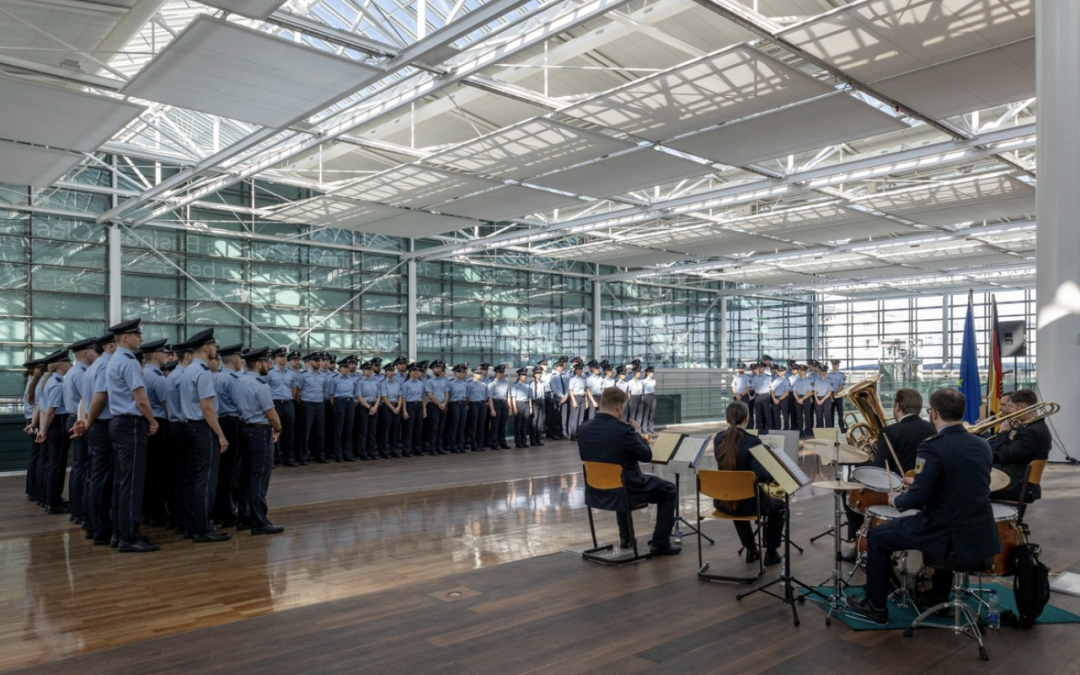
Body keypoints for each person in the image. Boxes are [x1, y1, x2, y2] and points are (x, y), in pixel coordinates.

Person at [846, 389, 1000, 624]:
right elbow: (958, 483)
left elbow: (916, 500)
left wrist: (896, 499)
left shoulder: (932, 446)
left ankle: (875, 606)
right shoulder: (982, 445)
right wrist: (919, 481)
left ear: (934, 412)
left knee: (876, 536)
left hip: (942, 530)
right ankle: (936, 597)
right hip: (978, 531)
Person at [577, 386, 680, 556]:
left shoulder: (583, 428)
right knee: (669, 490)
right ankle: (660, 543)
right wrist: (637, 432)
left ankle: (627, 538)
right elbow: (646, 456)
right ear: (618, 407)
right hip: (628, 489)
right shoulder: (624, 430)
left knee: (618, 479)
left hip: (595, 489)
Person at [841, 388, 935, 562]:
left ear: (897, 406)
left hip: (896, 490)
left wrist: (864, 461)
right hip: (925, 490)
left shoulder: (890, 431)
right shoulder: (932, 429)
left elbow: (878, 470)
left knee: (849, 495)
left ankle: (859, 544)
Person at [104, 318, 160, 552]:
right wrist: (152, 420)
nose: (141, 338)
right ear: (125, 337)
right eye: (137, 335)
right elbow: (140, 398)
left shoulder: (115, 359)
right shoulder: (129, 362)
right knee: (132, 482)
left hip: (118, 423)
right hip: (131, 424)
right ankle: (129, 536)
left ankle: (120, 532)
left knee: (121, 481)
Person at [712, 401, 785, 566]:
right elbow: (761, 475)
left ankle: (751, 549)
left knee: (736, 498)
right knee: (779, 504)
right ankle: (771, 552)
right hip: (750, 504)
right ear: (747, 418)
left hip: (723, 501)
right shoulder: (752, 441)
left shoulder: (718, 439)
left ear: (726, 419)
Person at [177, 328, 231, 543]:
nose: (216, 350)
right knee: (206, 480)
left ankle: (192, 524)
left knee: (193, 479)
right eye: (214, 346)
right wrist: (221, 435)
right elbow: (207, 407)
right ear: (206, 347)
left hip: (188, 426)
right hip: (202, 429)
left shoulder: (187, 370)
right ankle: (203, 528)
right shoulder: (203, 372)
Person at [235, 347, 284, 535]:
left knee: (246, 476)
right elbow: (271, 414)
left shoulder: (239, 380)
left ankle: (244, 517)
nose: (268, 364)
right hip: (259, 432)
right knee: (259, 477)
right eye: (266, 361)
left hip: (244, 428)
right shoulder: (260, 385)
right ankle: (259, 520)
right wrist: (278, 428)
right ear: (258, 364)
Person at [989, 388, 1052, 502]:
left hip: (1017, 486)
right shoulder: (1029, 426)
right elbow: (1009, 451)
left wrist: (1003, 433)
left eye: (1011, 406)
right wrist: (983, 454)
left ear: (1022, 407)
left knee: (971, 487)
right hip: (1015, 480)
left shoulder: (1033, 431)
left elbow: (1005, 456)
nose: (1010, 411)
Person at [64, 338, 97, 528]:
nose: (95, 353)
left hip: (73, 416)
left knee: (78, 466)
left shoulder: (73, 372)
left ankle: (76, 510)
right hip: (80, 418)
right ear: (85, 353)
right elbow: (88, 400)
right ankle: (81, 510)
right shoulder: (82, 374)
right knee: (83, 467)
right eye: (93, 351)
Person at [35, 349, 72, 515]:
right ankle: (53, 502)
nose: (70, 364)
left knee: (52, 463)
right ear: (61, 364)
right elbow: (50, 411)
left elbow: (43, 410)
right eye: (68, 361)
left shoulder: (47, 381)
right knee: (57, 464)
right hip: (57, 423)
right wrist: (44, 429)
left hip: (51, 425)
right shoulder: (57, 383)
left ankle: (48, 498)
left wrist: (43, 429)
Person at [212, 343, 243, 526]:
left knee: (221, 469)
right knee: (231, 471)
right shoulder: (232, 379)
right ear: (233, 359)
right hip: (232, 423)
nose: (241, 361)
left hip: (218, 423)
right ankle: (227, 511)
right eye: (239, 357)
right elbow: (241, 405)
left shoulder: (214, 377)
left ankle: (217, 509)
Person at [140, 338, 170, 526]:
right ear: (157, 355)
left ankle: (145, 510)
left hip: (144, 423)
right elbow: (167, 406)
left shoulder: (141, 374)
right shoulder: (158, 378)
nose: (167, 357)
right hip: (158, 424)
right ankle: (157, 512)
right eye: (165, 353)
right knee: (159, 472)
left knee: (147, 471)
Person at [294, 353, 328, 464]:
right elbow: (298, 393)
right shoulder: (303, 375)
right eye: (316, 360)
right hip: (307, 404)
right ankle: (303, 456)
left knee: (320, 431)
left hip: (320, 404)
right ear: (310, 362)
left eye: (319, 360)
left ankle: (320, 455)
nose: (318, 362)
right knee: (305, 432)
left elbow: (323, 390)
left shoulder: (323, 376)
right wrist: (303, 404)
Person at [268, 347, 297, 467]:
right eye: (281, 356)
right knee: (274, 430)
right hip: (275, 403)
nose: (284, 358)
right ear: (275, 359)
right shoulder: (269, 373)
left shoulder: (291, 373)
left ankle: (287, 457)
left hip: (288, 402)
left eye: (285, 356)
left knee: (289, 432)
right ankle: (273, 458)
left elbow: (294, 389)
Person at [329, 355, 357, 462]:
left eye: (347, 367)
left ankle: (348, 454)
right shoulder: (334, 379)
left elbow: (354, 393)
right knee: (339, 429)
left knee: (349, 429)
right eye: (344, 367)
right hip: (339, 402)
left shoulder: (352, 380)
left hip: (349, 402)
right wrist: (335, 405)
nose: (346, 369)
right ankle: (338, 454)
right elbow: (331, 395)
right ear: (339, 368)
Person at [354, 360, 381, 460]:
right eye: (367, 369)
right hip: (364, 407)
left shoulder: (376, 382)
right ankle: (363, 452)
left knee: (372, 431)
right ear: (363, 371)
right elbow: (359, 397)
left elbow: (378, 396)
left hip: (374, 406)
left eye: (370, 369)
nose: (369, 371)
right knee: (363, 431)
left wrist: (375, 407)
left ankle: (372, 451)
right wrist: (369, 407)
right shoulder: (360, 382)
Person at [424, 360, 449, 455]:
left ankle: (439, 447)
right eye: (437, 368)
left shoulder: (444, 380)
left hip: (443, 406)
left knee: (441, 428)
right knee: (433, 428)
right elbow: (429, 394)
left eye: (440, 368)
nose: (439, 369)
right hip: (433, 406)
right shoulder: (429, 381)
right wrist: (439, 403)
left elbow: (446, 392)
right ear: (432, 369)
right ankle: (432, 448)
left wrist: (445, 403)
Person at [401, 363, 426, 457]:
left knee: (418, 428)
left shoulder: (421, 384)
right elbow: (403, 398)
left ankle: (417, 449)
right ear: (410, 372)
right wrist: (404, 410)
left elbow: (423, 397)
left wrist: (424, 409)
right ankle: (407, 449)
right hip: (409, 405)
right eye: (414, 371)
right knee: (409, 428)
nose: (416, 373)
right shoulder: (405, 384)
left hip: (419, 405)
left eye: (417, 371)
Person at [378, 367, 404, 458]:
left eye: (393, 371)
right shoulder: (383, 383)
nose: (392, 373)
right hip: (387, 407)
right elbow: (384, 397)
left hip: (397, 406)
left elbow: (400, 396)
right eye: (389, 371)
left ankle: (394, 449)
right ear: (385, 372)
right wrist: (393, 408)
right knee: (386, 429)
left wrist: (399, 407)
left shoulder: (397, 383)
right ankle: (384, 450)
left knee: (395, 429)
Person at [445, 363, 469, 454]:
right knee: (454, 426)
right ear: (454, 373)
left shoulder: (465, 383)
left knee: (462, 426)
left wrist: (466, 404)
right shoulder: (450, 382)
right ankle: (453, 445)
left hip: (462, 404)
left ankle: (461, 445)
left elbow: (466, 396)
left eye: (462, 372)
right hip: (454, 404)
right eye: (459, 371)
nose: (461, 373)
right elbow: (448, 395)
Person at [487, 364, 511, 449]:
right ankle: (494, 443)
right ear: (496, 373)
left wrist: (509, 407)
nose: (502, 374)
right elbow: (490, 398)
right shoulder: (492, 384)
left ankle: (502, 442)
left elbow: (507, 396)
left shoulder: (505, 383)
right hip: (496, 403)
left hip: (504, 403)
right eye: (500, 372)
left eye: (503, 372)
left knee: (503, 425)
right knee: (495, 424)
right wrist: (492, 409)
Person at [465, 366, 488, 452]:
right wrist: (469, 404)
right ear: (473, 374)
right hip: (473, 404)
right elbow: (467, 396)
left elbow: (486, 396)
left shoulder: (483, 384)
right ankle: (474, 445)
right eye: (478, 373)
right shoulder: (470, 384)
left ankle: (480, 445)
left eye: (480, 373)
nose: (480, 375)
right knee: (473, 425)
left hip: (482, 404)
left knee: (481, 425)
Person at [510, 367, 532, 449]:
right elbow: (513, 397)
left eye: (525, 375)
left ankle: (524, 441)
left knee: (524, 425)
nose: (524, 376)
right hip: (519, 404)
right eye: (523, 375)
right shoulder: (515, 386)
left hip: (526, 404)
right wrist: (514, 408)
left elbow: (529, 397)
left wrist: (530, 407)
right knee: (518, 425)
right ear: (519, 376)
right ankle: (518, 442)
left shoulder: (527, 385)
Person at [792, 364, 814, 439]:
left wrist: (802, 399)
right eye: (800, 370)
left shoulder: (809, 380)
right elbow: (794, 391)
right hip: (798, 399)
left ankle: (807, 431)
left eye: (803, 370)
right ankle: (800, 431)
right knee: (799, 417)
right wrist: (798, 399)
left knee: (807, 416)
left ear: (805, 371)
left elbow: (810, 392)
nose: (801, 372)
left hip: (806, 398)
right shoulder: (796, 380)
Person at [549, 358, 569, 440]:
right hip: (558, 398)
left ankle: (563, 432)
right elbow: (554, 388)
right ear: (556, 367)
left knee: (564, 416)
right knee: (556, 416)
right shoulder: (553, 376)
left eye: (562, 366)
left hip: (565, 397)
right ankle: (555, 433)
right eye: (560, 366)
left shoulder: (564, 375)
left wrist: (566, 396)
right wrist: (562, 396)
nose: (561, 368)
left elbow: (568, 386)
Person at [567, 363, 587, 440]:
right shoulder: (572, 379)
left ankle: (579, 434)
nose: (580, 371)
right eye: (578, 369)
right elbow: (570, 391)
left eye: (581, 369)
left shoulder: (583, 379)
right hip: (576, 397)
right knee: (575, 417)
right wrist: (574, 401)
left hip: (582, 397)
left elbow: (584, 390)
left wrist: (586, 401)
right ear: (575, 370)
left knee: (581, 418)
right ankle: (573, 434)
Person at [528, 366, 547, 447]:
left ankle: (538, 439)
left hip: (541, 401)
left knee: (540, 422)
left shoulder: (542, 383)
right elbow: (530, 396)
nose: (539, 374)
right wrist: (531, 407)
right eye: (538, 373)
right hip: (535, 402)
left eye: (540, 373)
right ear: (534, 374)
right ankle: (533, 440)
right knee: (534, 422)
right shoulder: (532, 383)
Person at [751, 363, 773, 432]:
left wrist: (768, 395)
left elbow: (771, 388)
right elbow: (754, 388)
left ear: (764, 368)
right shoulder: (755, 378)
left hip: (765, 396)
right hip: (757, 396)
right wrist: (753, 396)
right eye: (759, 367)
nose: (760, 369)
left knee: (767, 414)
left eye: (761, 367)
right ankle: (758, 429)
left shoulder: (768, 377)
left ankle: (769, 428)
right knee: (758, 414)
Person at [769, 364, 791, 431]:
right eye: (779, 371)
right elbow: (772, 391)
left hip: (783, 399)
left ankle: (786, 429)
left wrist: (779, 399)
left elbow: (787, 392)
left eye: (782, 371)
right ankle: (777, 429)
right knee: (776, 415)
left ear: (784, 372)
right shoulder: (775, 380)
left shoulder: (787, 380)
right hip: (775, 399)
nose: (780, 372)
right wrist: (774, 399)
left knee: (785, 415)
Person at [828, 359, 847, 432]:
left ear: (838, 365)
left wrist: (835, 394)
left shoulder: (841, 375)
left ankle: (841, 427)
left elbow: (841, 386)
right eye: (833, 364)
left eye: (836, 364)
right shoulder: (829, 375)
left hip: (838, 395)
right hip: (830, 395)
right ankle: (831, 427)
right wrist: (831, 395)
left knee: (840, 412)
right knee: (831, 412)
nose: (834, 366)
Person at [813, 364, 833, 429]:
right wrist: (817, 399)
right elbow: (815, 391)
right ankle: (820, 432)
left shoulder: (829, 380)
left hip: (826, 399)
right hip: (818, 399)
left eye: (824, 371)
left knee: (827, 416)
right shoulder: (817, 380)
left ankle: (828, 432)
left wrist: (823, 400)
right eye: (821, 371)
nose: (823, 373)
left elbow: (830, 391)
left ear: (826, 372)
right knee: (819, 416)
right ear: (820, 372)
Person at [640, 365, 658, 433]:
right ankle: (644, 428)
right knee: (646, 412)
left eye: (653, 372)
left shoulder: (654, 381)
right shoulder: (643, 381)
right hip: (646, 396)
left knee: (652, 412)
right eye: (651, 372)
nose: (652, 373)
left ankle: (651, 428)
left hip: (652, 395)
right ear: (647, 373)